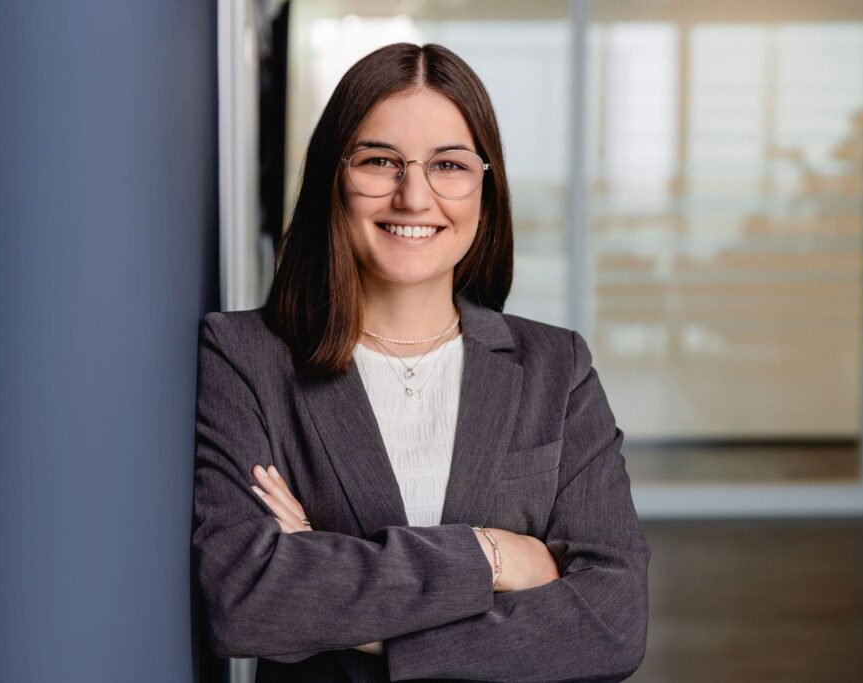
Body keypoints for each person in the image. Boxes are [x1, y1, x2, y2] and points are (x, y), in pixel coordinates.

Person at [193, 42, 650, 682]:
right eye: (380, 161)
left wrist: (341, 603)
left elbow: (612, 624)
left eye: (449, 165)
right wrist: (490, 556)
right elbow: (244, 602)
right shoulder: (246, 356)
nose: (414, 197)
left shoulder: (557, 367)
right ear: (333, 177)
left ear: (485, 189)